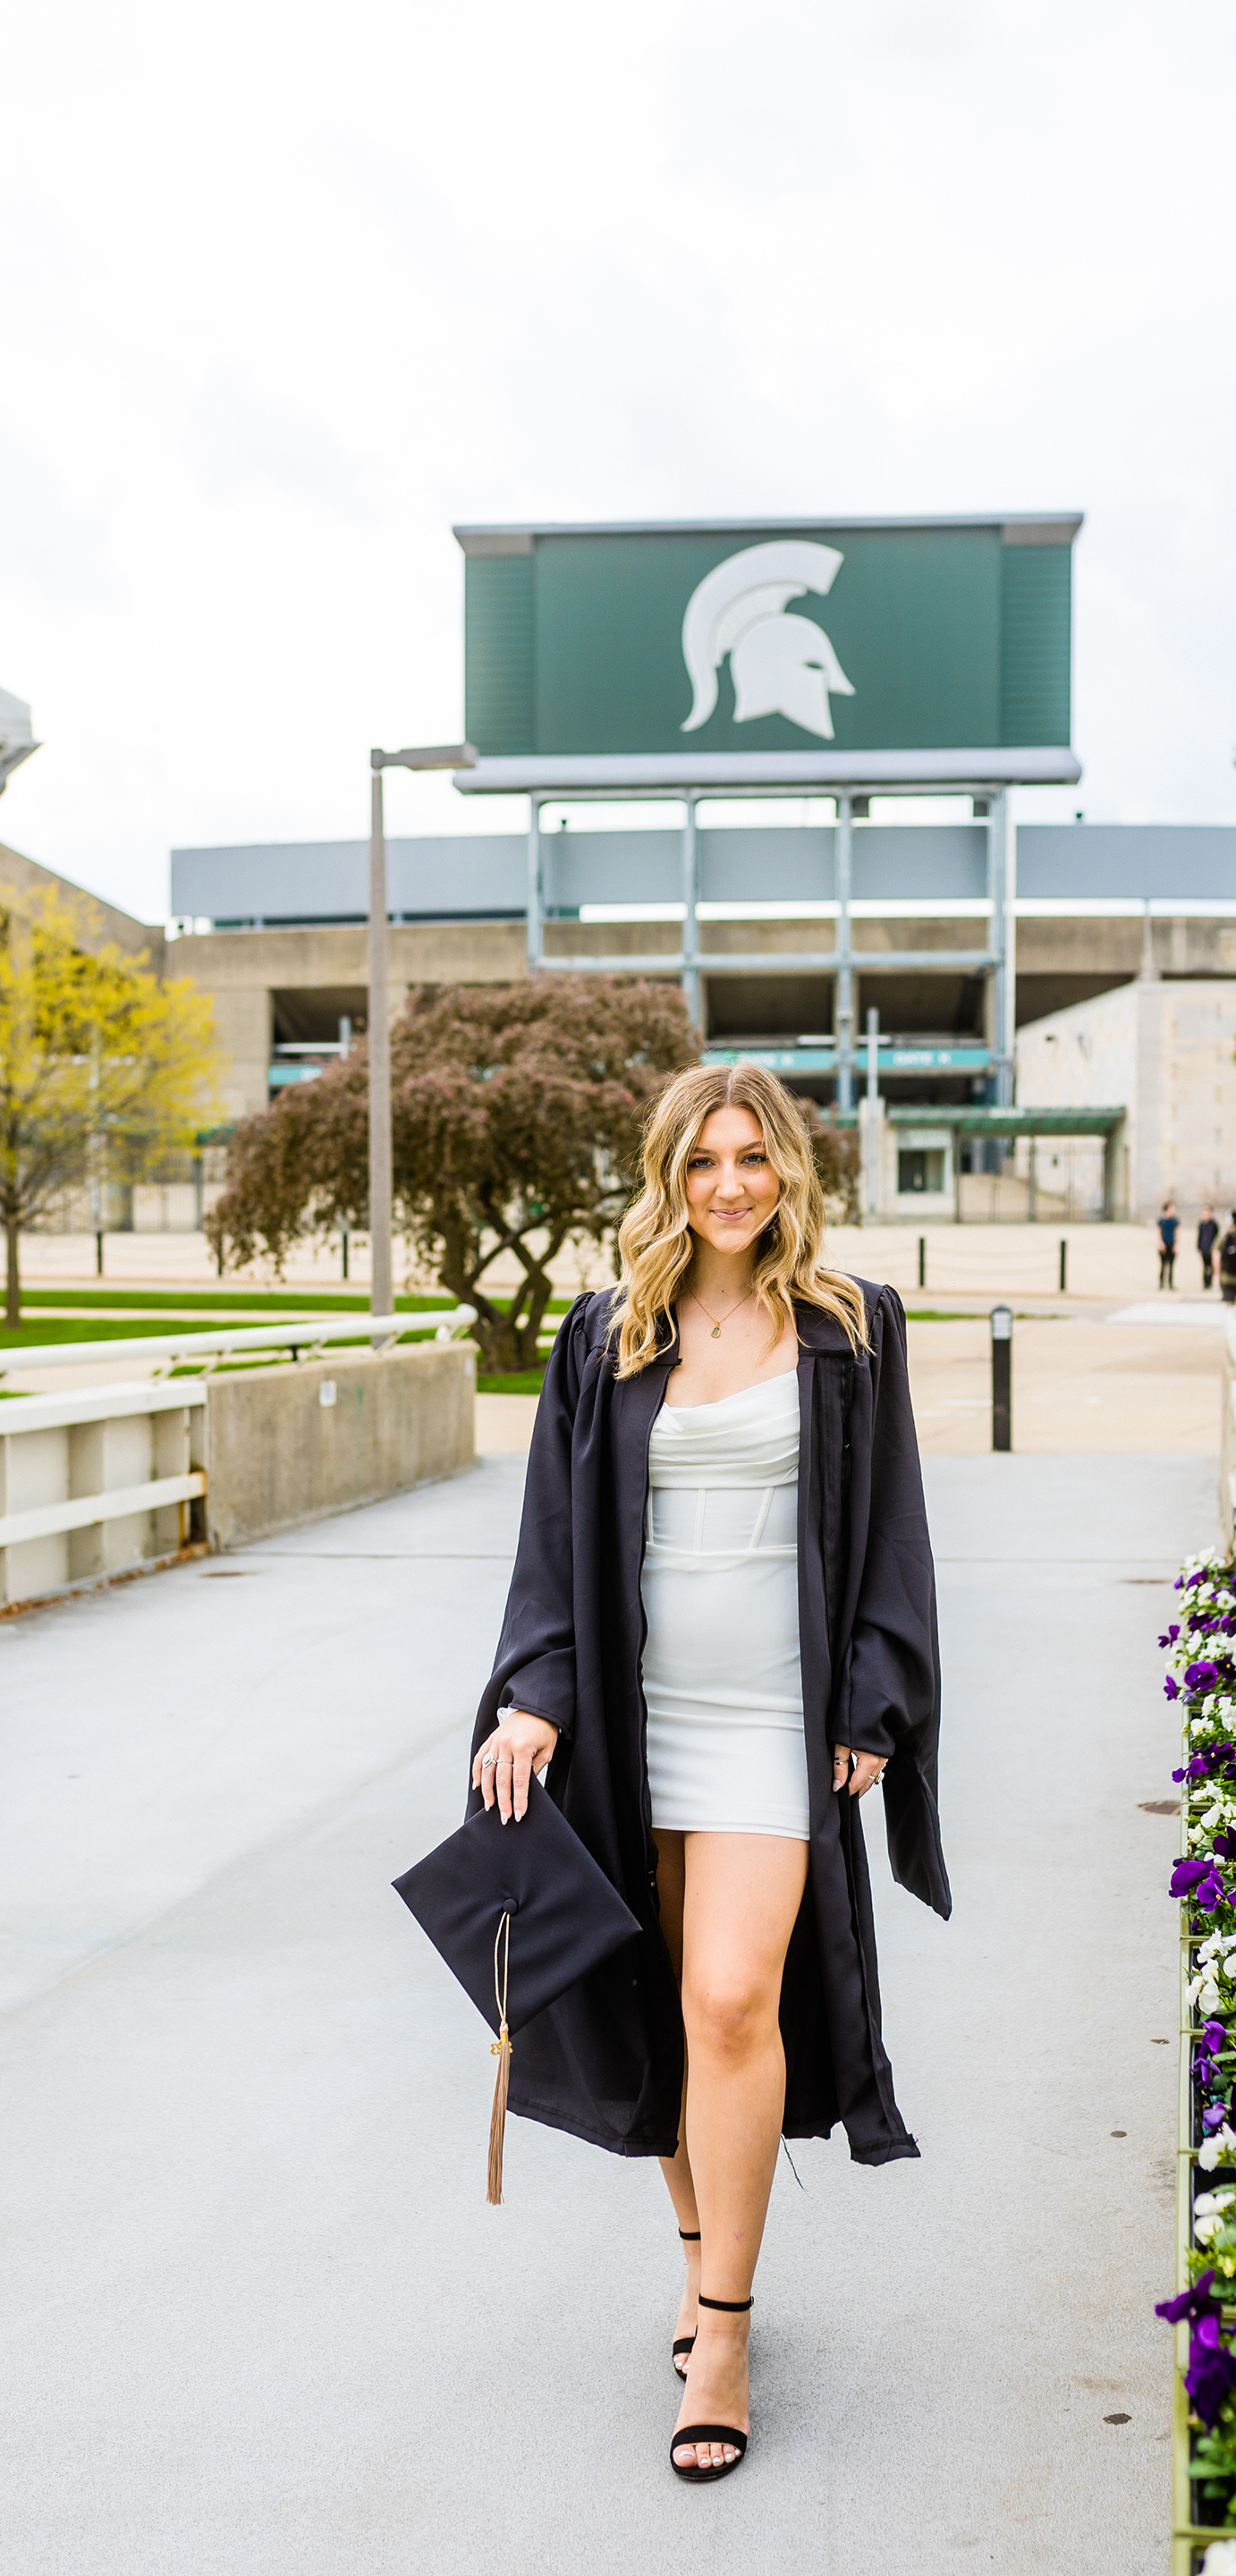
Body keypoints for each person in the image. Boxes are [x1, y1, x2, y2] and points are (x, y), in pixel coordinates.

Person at [468, 1062, 948, 2487]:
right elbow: (553, 1540)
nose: (728, 1185)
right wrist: (533, 1699)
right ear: (666, 1177)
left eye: (751, 1157)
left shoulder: (850, 1331)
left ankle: (724, 2337)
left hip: (770, 1726)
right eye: (701, 1162)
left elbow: (895, 1528)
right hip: (634, 1726)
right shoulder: (607, 1333)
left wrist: (875, 1698)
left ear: (789, 1167)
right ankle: (698, 2260)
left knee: (734, 1999)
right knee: (667, 2009)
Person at [1156, 1199, 1180, 1290]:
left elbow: (1177, 1232)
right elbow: (1158, 1232)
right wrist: (1160, 1243)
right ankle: (1161, 1283)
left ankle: (1170, 1284)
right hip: (1164, 1244)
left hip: (1171, 1244)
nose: (1174, 1210)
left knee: (1171, 1265)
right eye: (1172, 1208)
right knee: (1163, 1265)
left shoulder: (1175, 1221)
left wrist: (1176, 1244)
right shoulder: (1162, 1220)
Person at [1197, 1206, 1219, 1293]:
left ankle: (1210, 1282)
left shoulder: (1214, 1224)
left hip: (1211, 1248)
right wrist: (1198, 1247)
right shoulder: (1201, 1224)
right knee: (1205, 1266)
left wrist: (1215, 1248)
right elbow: (1199, 1236)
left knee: (1211, 1266)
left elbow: (1217, 1237)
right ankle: (1205, 1283)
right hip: (1203, 1248)